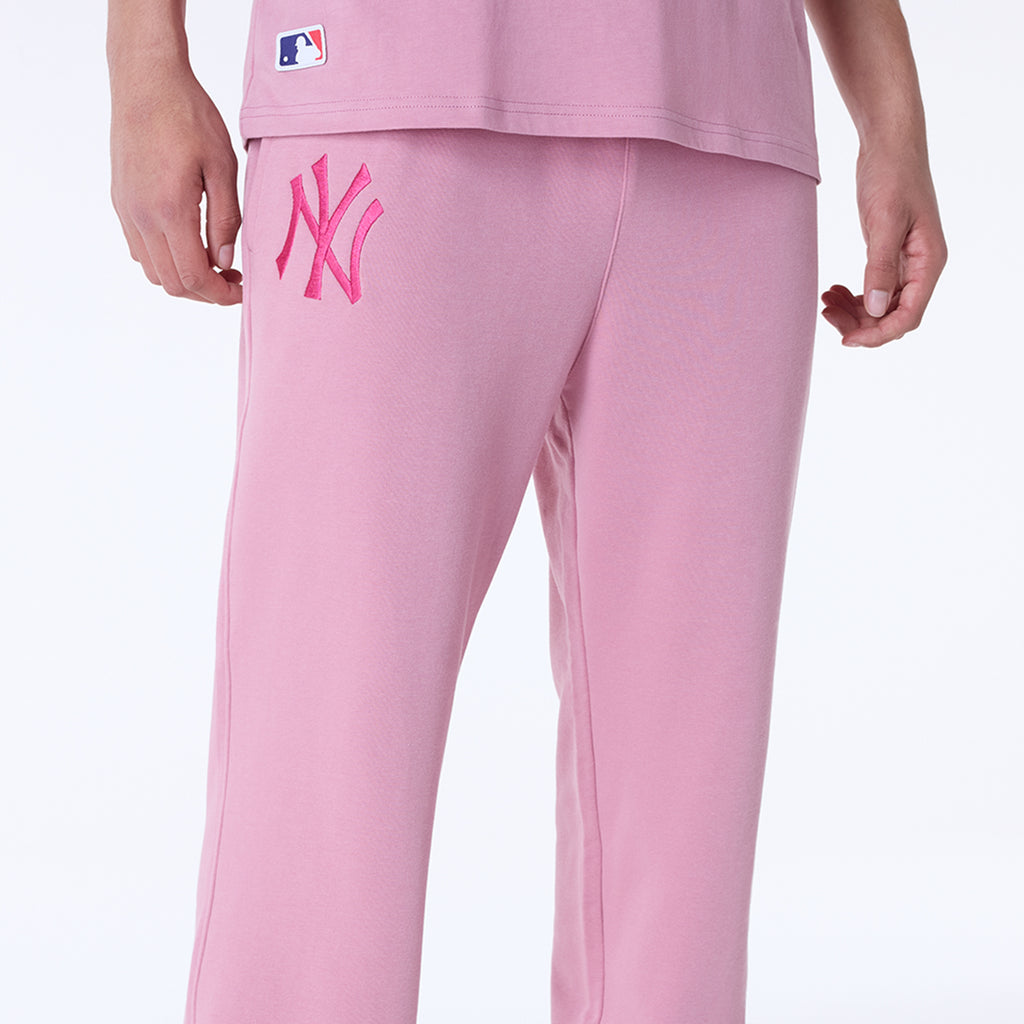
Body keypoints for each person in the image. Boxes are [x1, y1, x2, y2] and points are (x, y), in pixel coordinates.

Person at [107, 2, 947, 1022]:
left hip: (728, 135)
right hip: (386, 102)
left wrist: (891, 117)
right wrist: (144, 61)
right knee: (329, 726)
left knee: (687, 777)